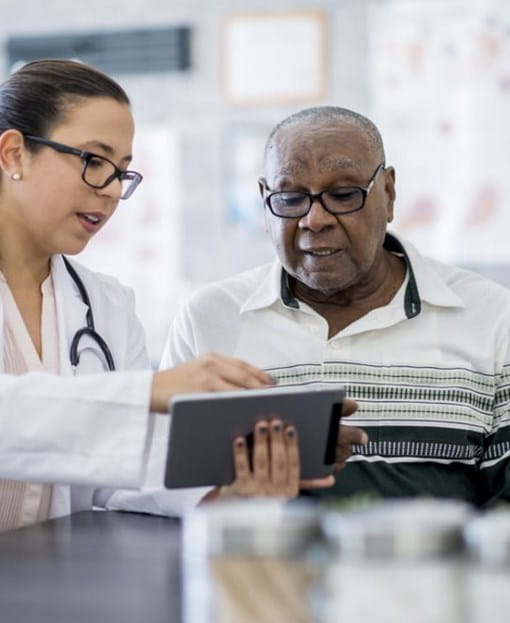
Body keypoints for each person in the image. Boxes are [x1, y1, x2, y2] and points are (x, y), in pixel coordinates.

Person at [152, 105, 510, 509]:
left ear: (388, 194)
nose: (314, 219)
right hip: (258, 569)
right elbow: (158, 490)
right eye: (290, 198)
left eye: (343, 195)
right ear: (265, 202)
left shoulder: (494, 317)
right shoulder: (208, 319)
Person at [0, 59, 323, 532]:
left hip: (50, 584)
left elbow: (122, 466)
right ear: (13, 155)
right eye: (94, 161)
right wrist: (149, 391)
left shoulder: (106, 305)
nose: (111, 191)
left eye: (122, 172)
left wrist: (226, 482)